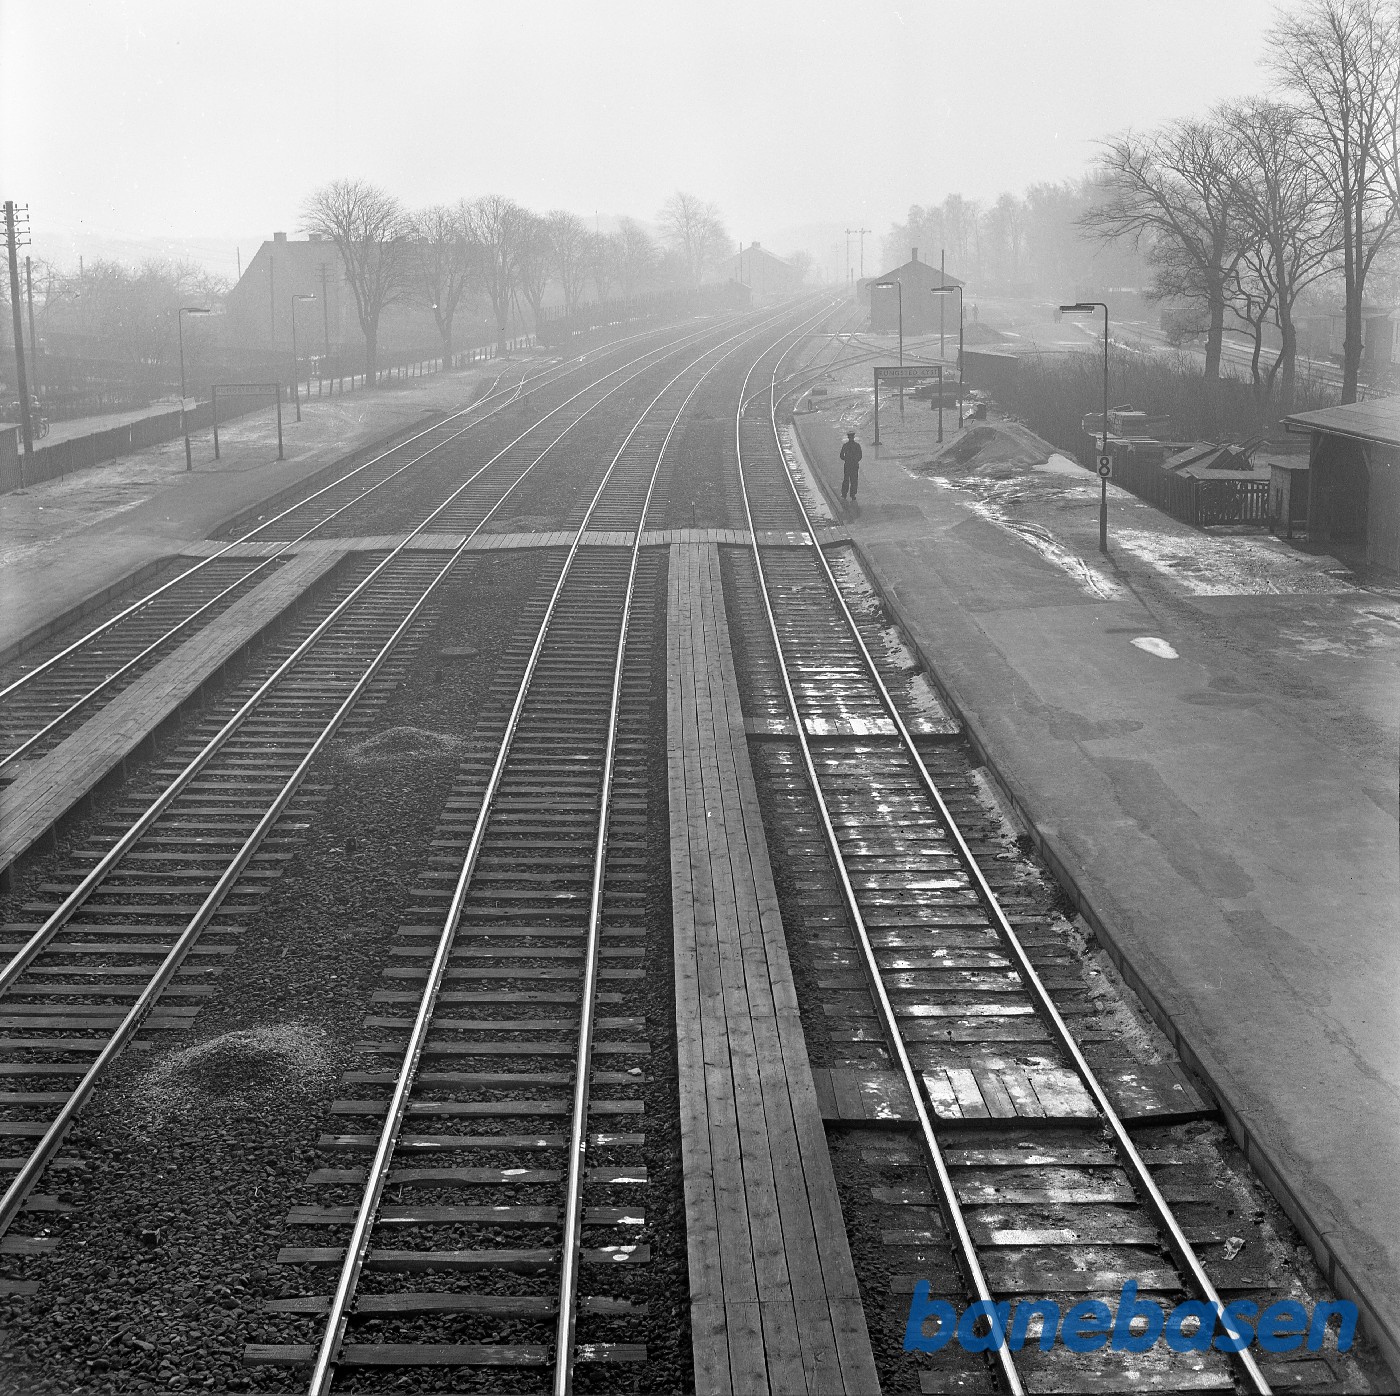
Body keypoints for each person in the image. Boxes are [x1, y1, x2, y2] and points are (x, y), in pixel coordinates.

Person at [839, 429, 862, 500]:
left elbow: (841, 456)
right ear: (853, 437)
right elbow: (860, 456)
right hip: (854, 465)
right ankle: (853, 495)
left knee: (846, 479)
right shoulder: (857, 446)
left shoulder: (845, 445)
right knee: (854, 480)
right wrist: (855, 460)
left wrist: (846, 459)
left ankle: (844, 494)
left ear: (848, 437)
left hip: (847, 465)